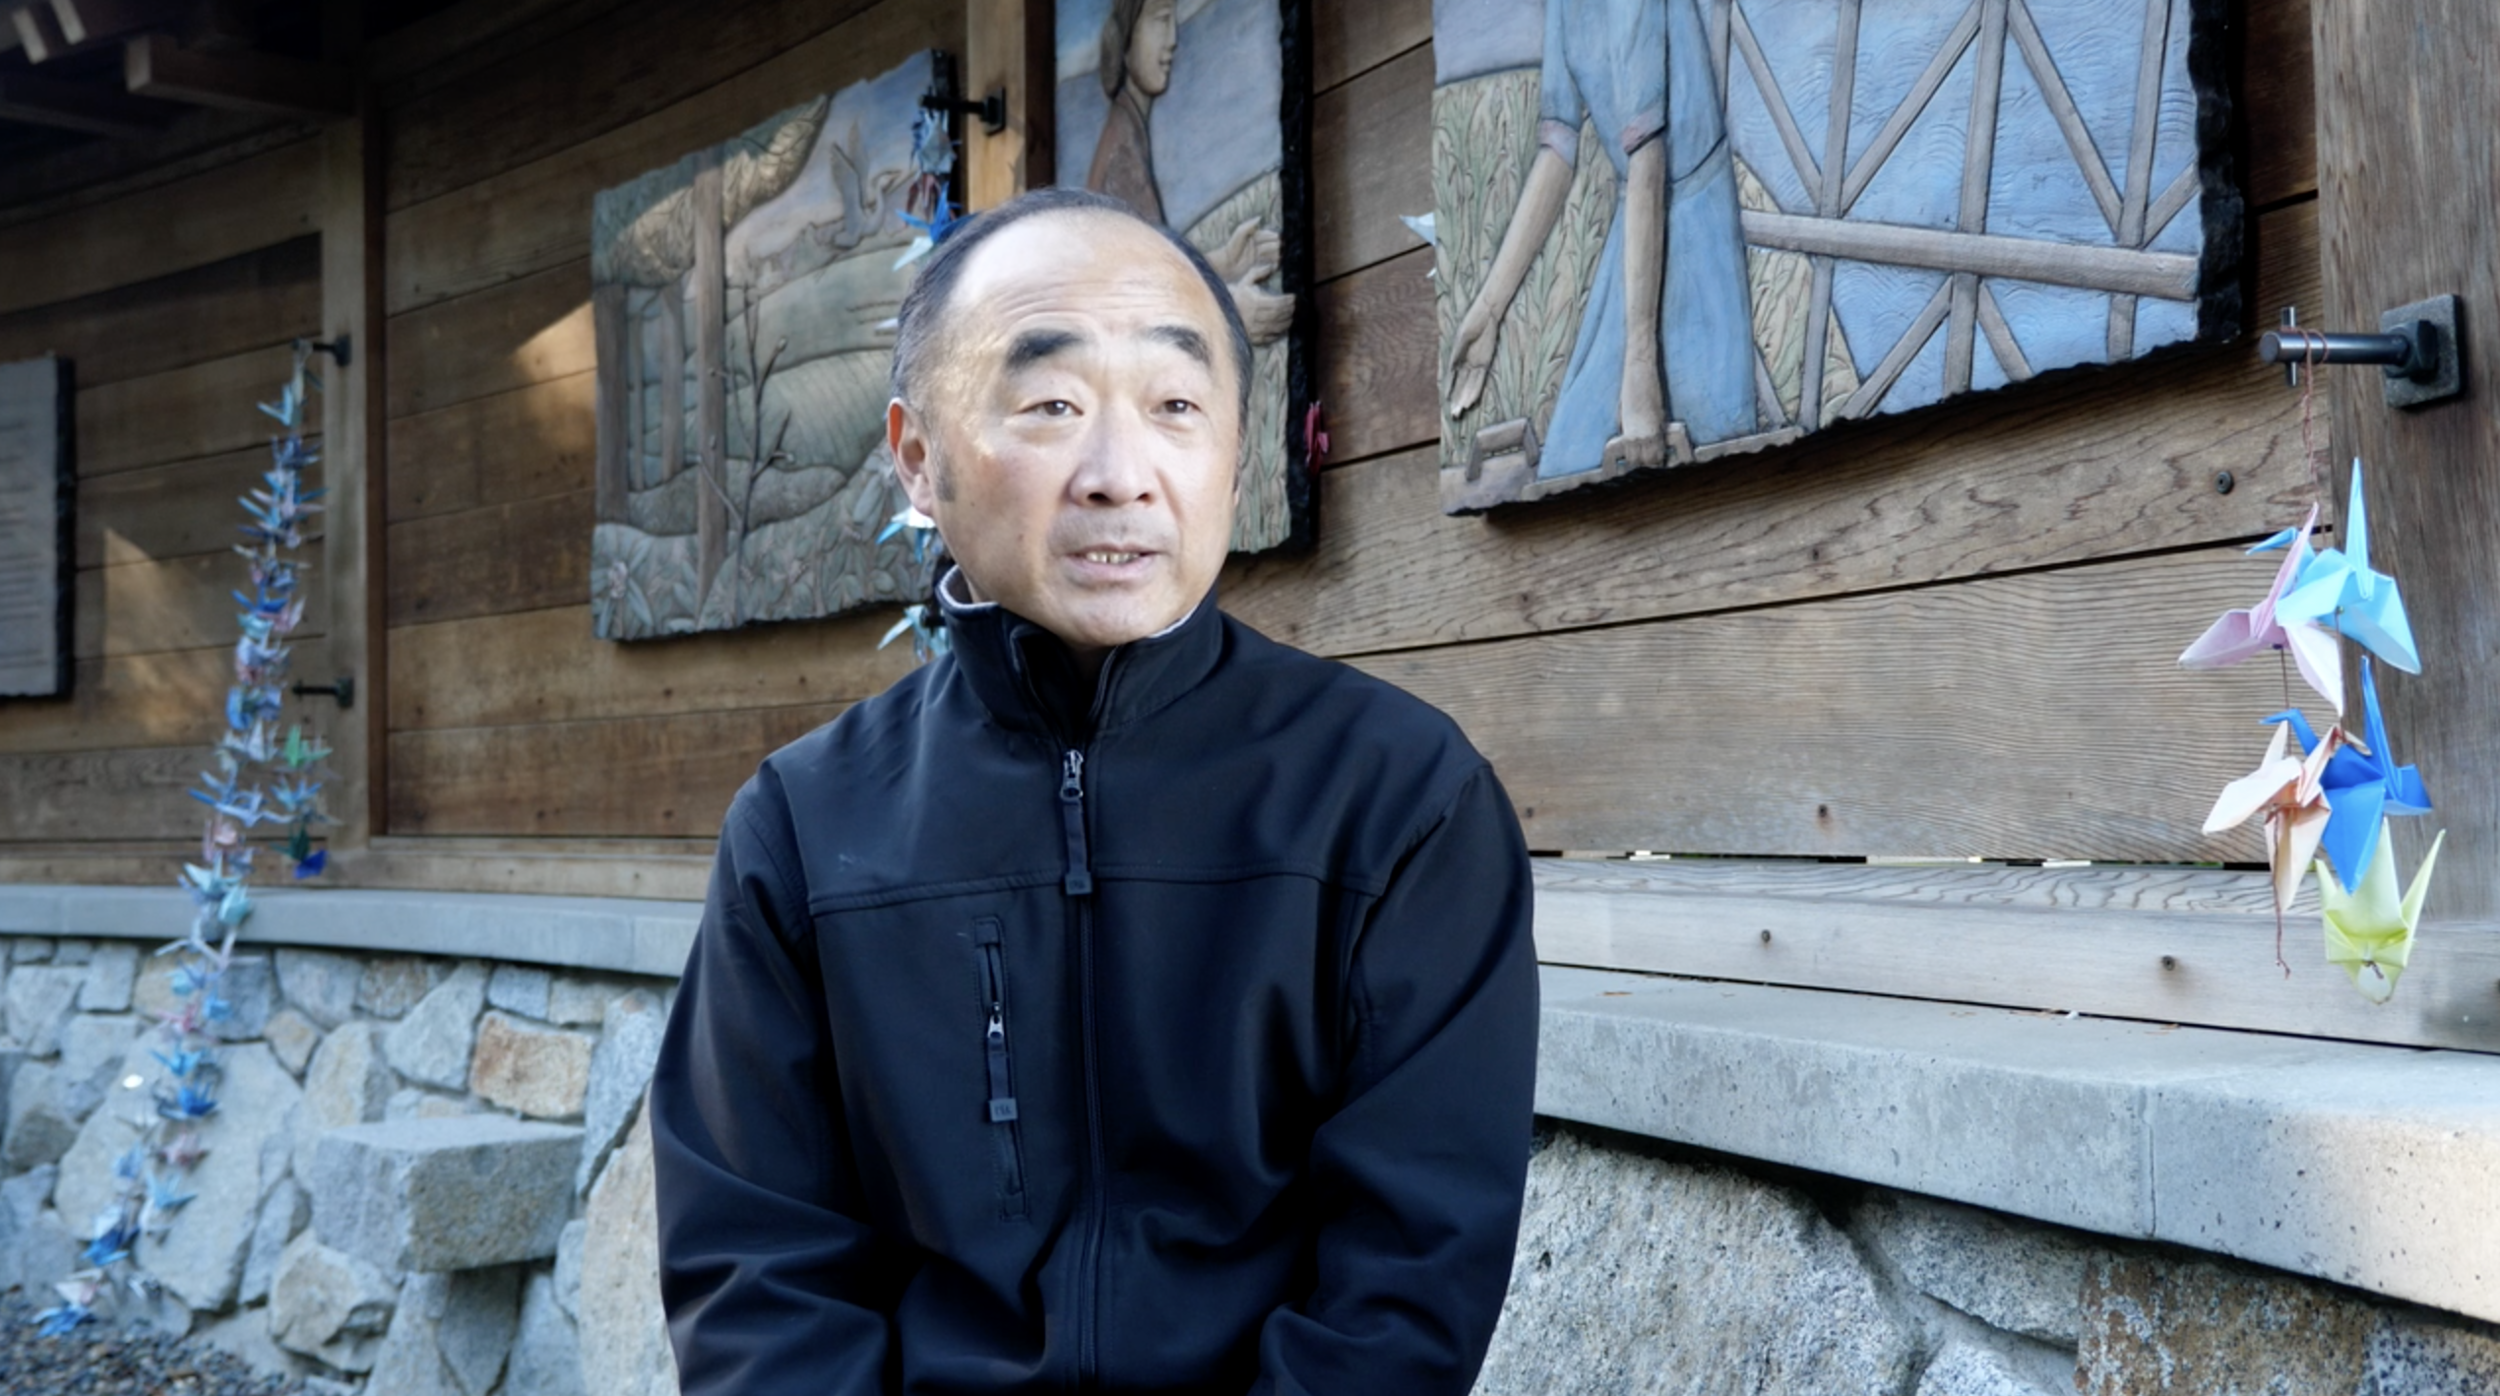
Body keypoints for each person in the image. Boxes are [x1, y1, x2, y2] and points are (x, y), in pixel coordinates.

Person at [650, 186, 1539, 1394]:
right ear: (919, 459)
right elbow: (761, 1272)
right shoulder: (805, 828)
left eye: (1176, 406)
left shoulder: (1397, 800)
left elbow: (1403, 1286)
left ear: (1237, 450)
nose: (1120, 475)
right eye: (1053, 405)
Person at [1447, 0, 1757, 478]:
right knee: (1569, 458)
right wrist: (1489, 311)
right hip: (1635, 237)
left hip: (1694, 242)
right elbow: (1558, 150)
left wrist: (1639, 365)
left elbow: (1647, 155)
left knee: (1709, 453)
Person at [1083, 0, 1295, 346]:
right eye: (1161, 21)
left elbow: (1150, 270)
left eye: (1173, 22)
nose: (1172, 39)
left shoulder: (1129, 130)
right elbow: (1127, 298)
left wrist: (1222, 263)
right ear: (1125, 39)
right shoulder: (1121, 157)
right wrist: (1227, 315)